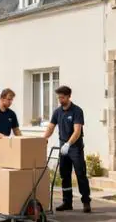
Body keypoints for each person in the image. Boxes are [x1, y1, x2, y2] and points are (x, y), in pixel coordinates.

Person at [43, 85, 91, 213]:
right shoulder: (57, 112)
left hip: (75, 147)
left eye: (62, 97)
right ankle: (67, 202)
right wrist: (43, 139)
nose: (60, 100)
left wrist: (68, 144)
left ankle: (86, 202)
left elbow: (77, 131)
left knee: (80, 174)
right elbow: (51, 127)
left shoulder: (77, 111)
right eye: (59, 97)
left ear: (69, 96)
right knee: (64, 175)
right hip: (63, 147)